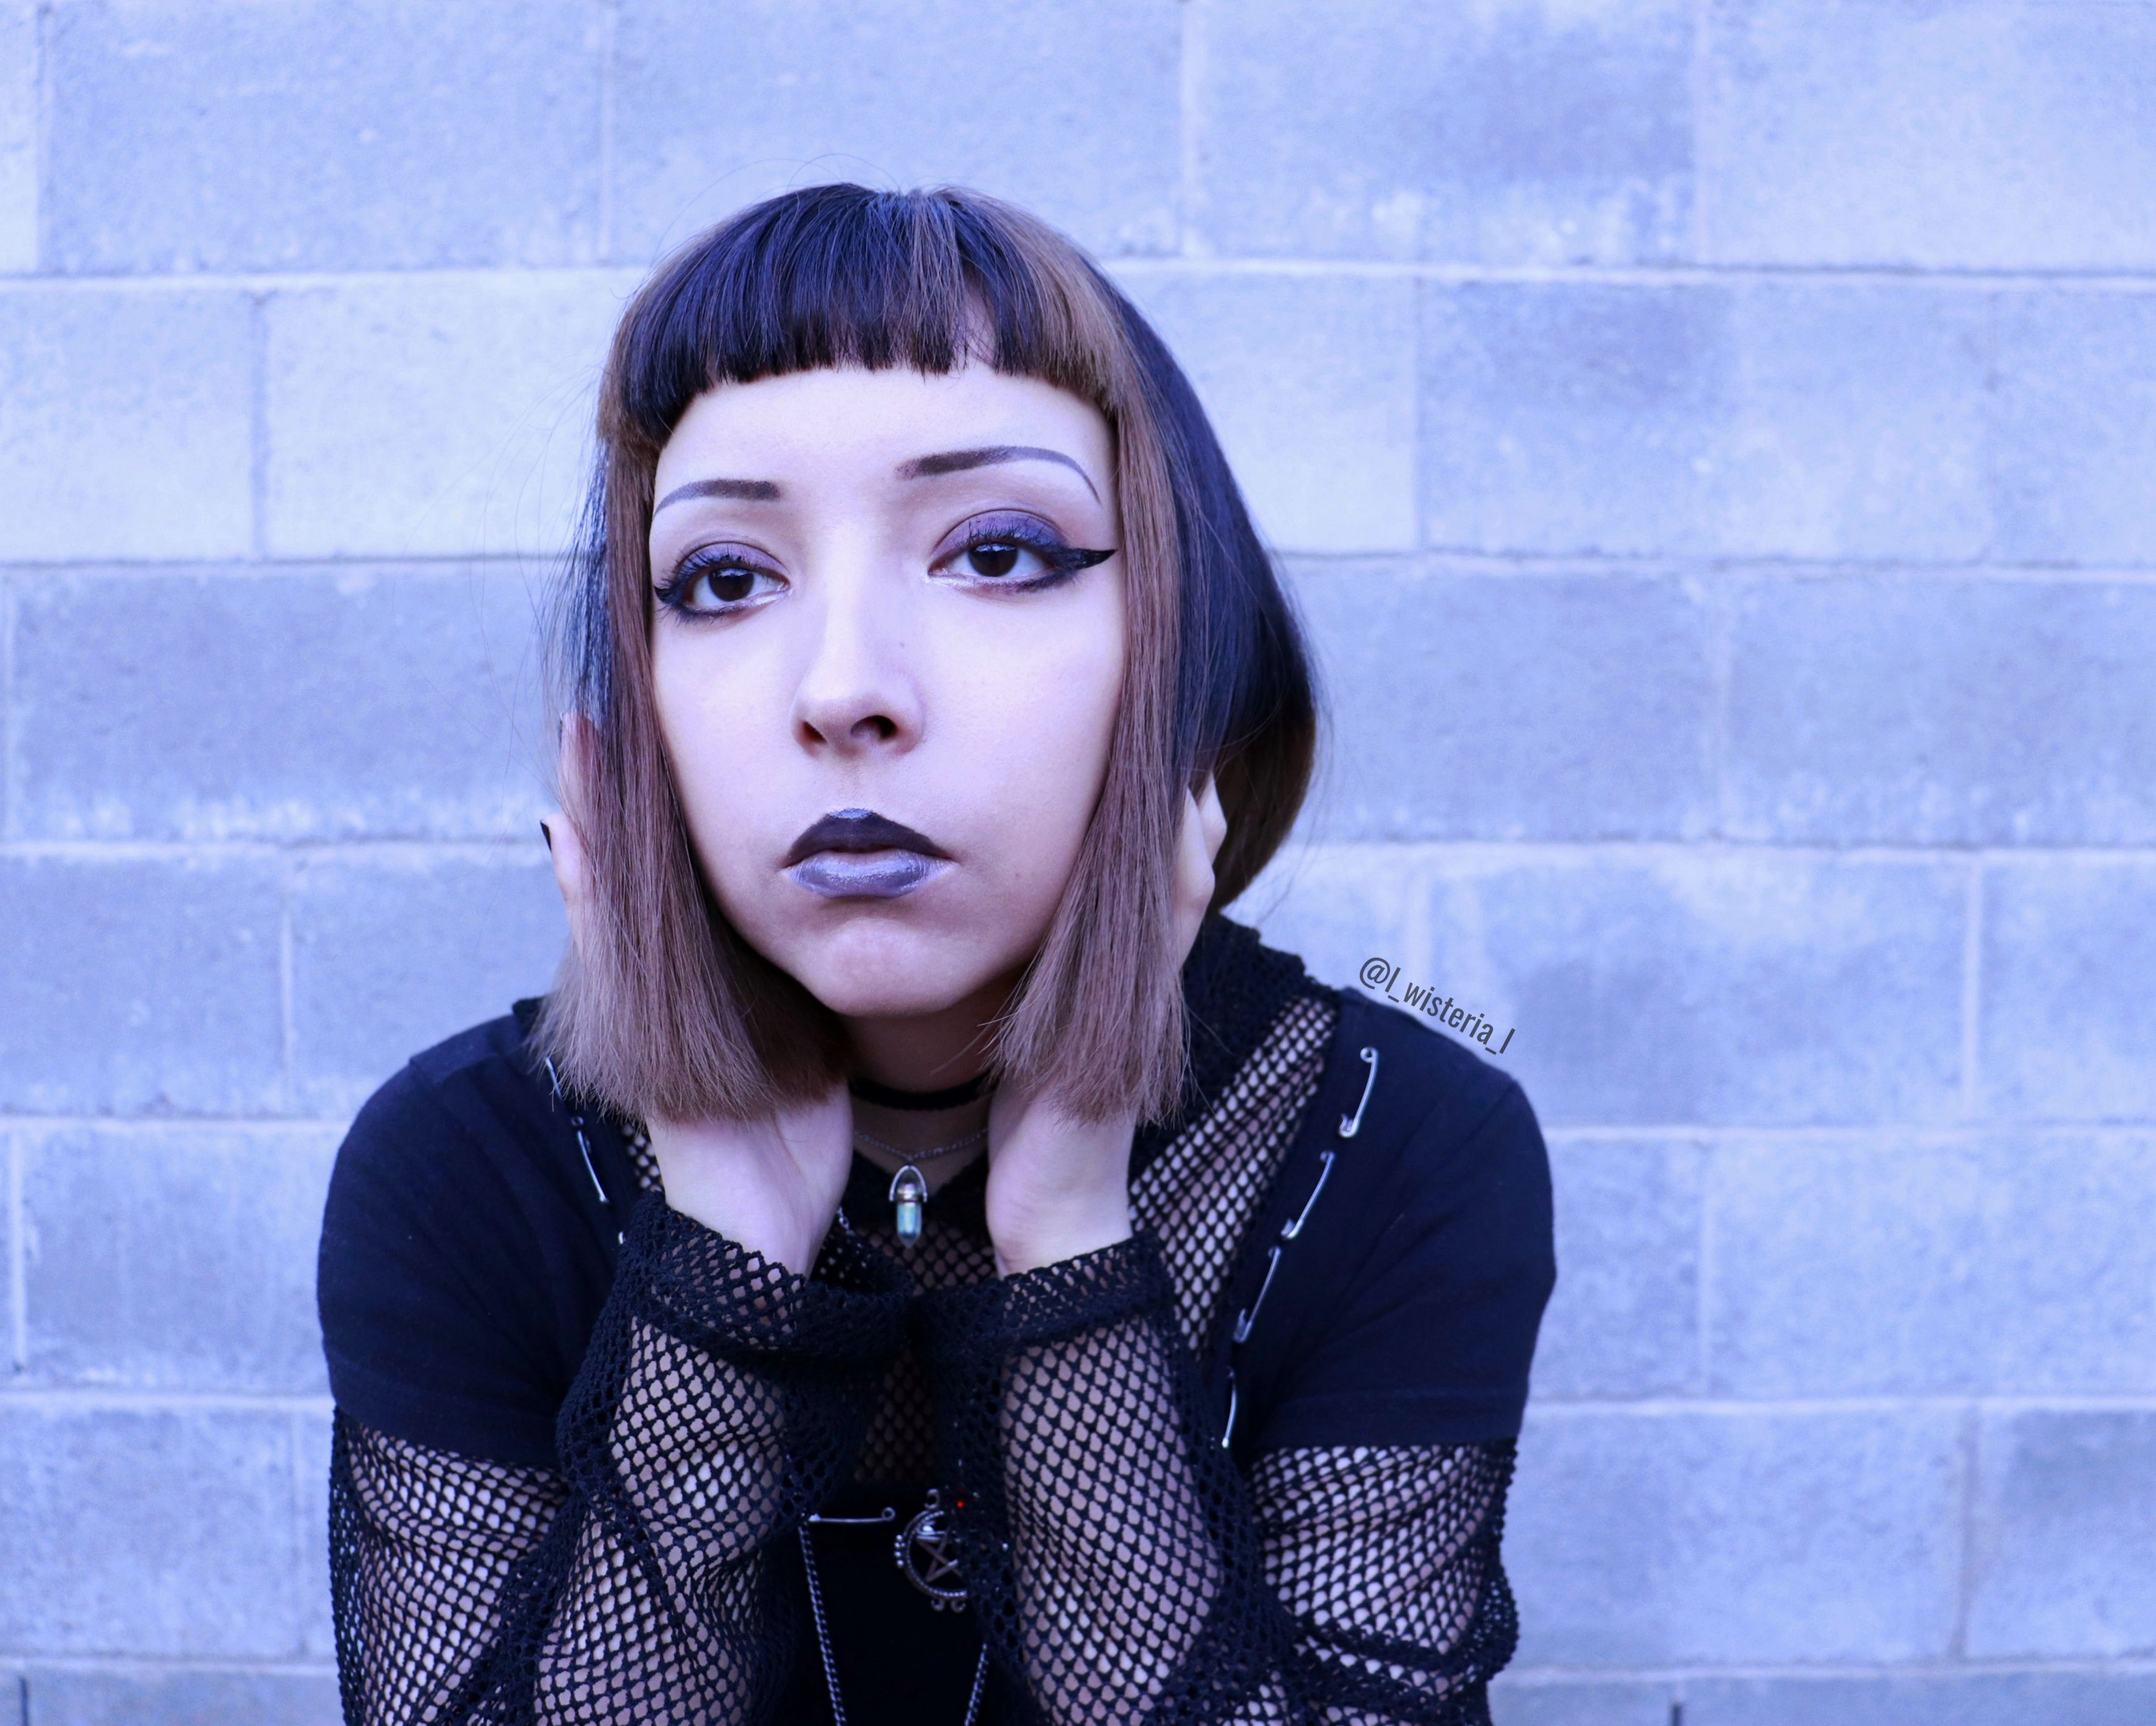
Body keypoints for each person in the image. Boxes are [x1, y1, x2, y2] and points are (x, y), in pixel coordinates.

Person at [316, 183, 1555, 1726]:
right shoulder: (462, 1159)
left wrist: (1071, 1241)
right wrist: (718, 1269)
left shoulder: (1399, 1136)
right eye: (724, 577)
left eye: (997, 552)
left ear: (1177, 645)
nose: (842, 688)